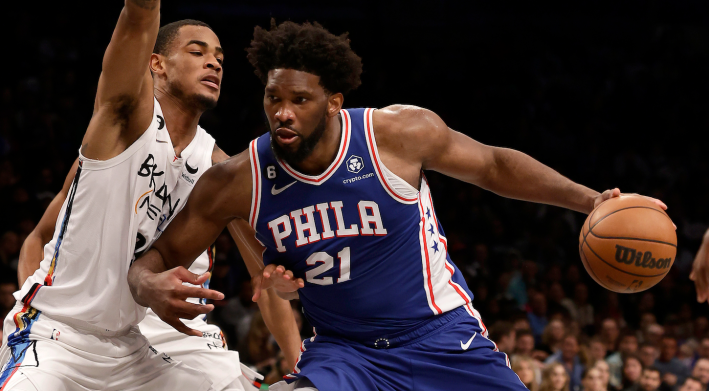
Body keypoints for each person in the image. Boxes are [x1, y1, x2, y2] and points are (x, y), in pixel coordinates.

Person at [128, 20, 666, 391]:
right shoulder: (239, 179)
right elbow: (153, 261)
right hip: (346, 351)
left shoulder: (397, 135)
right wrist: (149, 284)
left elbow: (496, 167)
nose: (283, 114)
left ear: (334, 102)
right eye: (274, 99)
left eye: (300, 100)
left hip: (439, 334)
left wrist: (593, 199)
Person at [0, 3, 300, 390]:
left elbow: (264, 278)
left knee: (226, 382)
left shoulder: (222, 172)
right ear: (156, 63)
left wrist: (299, 367)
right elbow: (39, 239)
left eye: (219, 58)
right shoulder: (120, 122)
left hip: (134, 343)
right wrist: (38, 301)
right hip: (57, 338)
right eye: (197, 52)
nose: (214, 63)